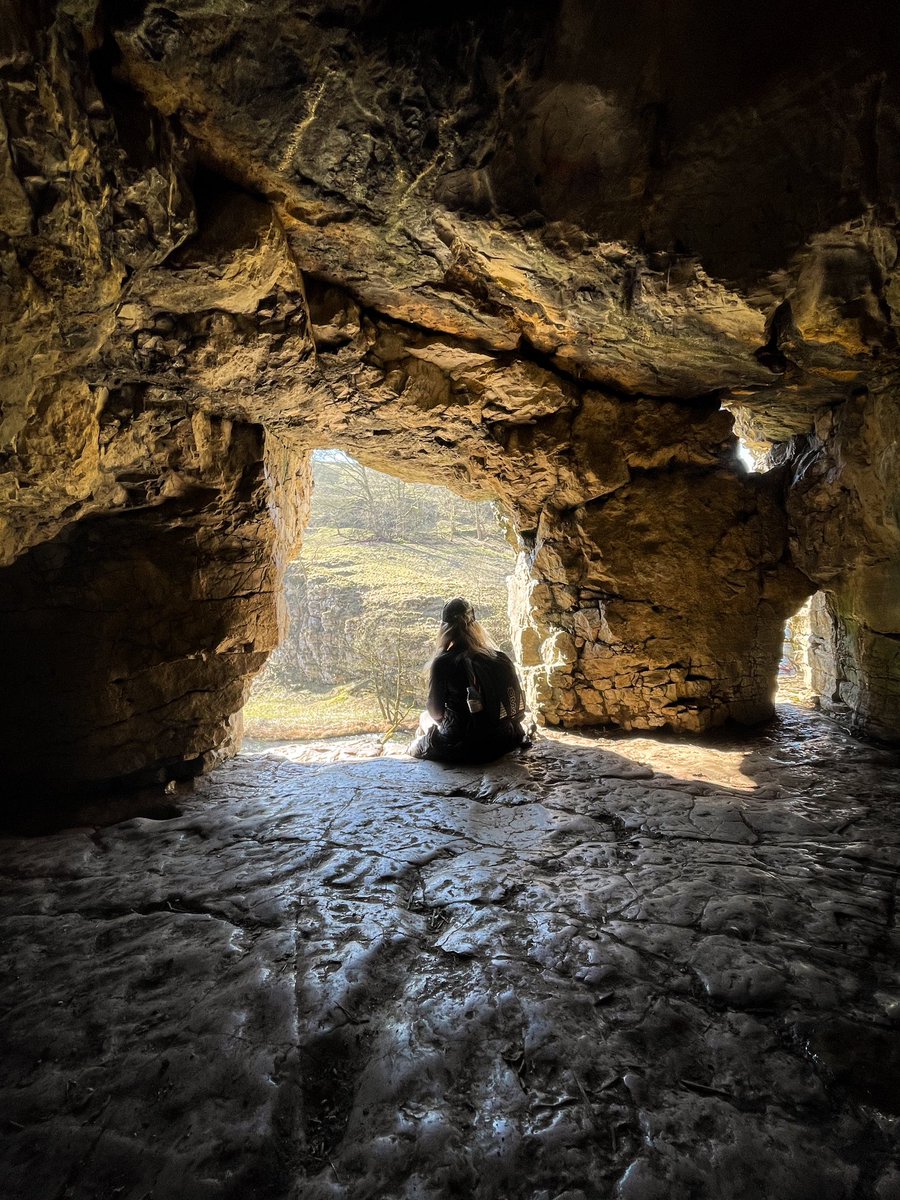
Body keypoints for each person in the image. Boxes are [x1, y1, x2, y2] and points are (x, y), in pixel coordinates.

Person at [408, 597, 530, 764]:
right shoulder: (498, 658)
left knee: (423, 724)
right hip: (504, 739)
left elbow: (436, 712)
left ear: (444, 629)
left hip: (464, 747)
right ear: (475, 626)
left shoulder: (443, 662)